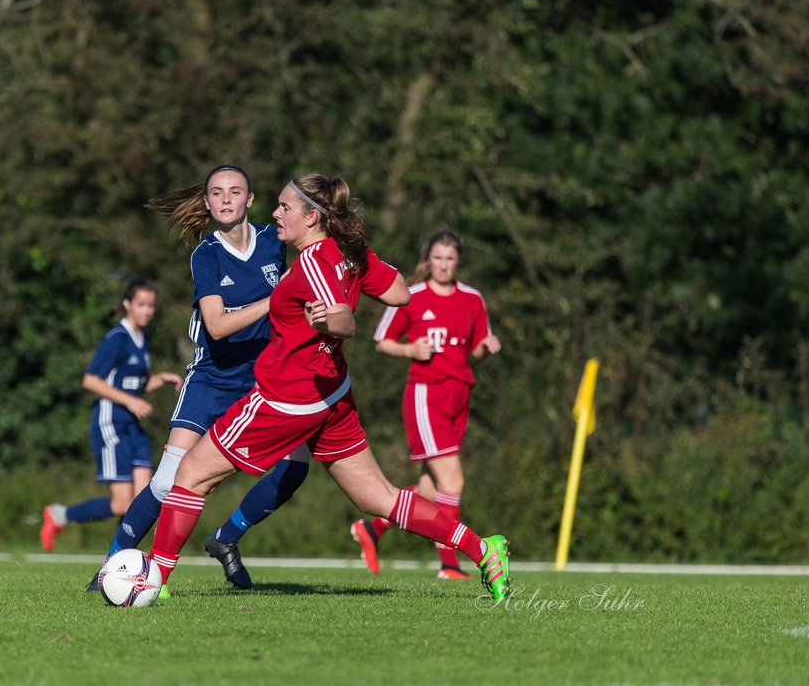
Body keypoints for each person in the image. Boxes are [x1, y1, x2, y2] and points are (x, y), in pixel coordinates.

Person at [145, 174, 512, 602]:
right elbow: (399, 294)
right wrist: (359, 263)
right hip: (332, 395)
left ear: (312, 216)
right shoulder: (344, 253)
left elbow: (344, 321)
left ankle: (152, 582)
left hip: (287, 399)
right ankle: (484, 550)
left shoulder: (314, 262)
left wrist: (331, 321)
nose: (275, 214)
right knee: (378, 497)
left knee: (190, 475)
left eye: (285, 208)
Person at [51, 164, 311, 591]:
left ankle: (227, 537)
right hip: (213, 378)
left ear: (250, 199)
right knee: (167, 480)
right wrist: (278, 295)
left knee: (296, 466)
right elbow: (218, 325)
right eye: (217, 192)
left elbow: (315, 251)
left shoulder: (272, 240)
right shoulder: (205, 254)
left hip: (265, 376)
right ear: (207, 203)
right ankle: (112, 563)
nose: (226, 198)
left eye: (235, 191)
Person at [350, 229, 502, 579]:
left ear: (457, 261)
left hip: (459, 393)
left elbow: (476, 349)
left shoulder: (472, 299)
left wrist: (488, 347)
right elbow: (381, 341)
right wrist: (410, 350)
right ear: (427, 261)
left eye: (450, 258)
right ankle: (450, 564)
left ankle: (373, 530)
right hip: (425, 395)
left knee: (430, 489)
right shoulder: (414, 296)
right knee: (453, 482)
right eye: (438, 258)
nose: (444, 264)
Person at [39, 278, 182, 549]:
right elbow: (91, 381)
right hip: (111, 424)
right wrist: (130, 402)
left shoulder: (142, 339)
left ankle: (123, 564)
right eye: (141, 304)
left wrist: (159, 378)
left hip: (132, 427)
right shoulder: (117, 338)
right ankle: (59, 515)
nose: (147, 311)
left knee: (145, 500)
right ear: (128, 304)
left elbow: (134, 385)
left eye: (151, 306)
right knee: (122, 504)